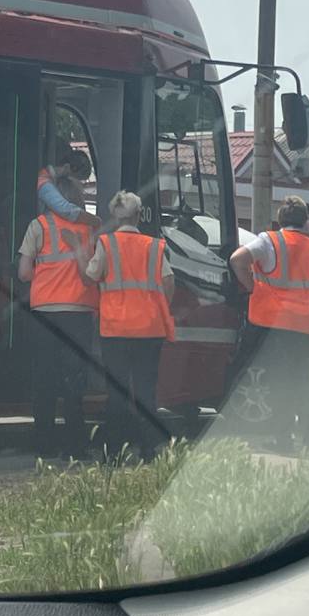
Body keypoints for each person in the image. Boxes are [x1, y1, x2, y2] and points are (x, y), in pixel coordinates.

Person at [75, 191, 175, 459]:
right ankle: (149, 450)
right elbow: (168, 281)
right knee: (145, 391)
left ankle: (114, 452)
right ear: (139, 215)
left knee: (116, 391)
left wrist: (79, 252)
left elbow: (90, 276)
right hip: (150, 329)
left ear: (115, 218)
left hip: (115, 329)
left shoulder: (107, 245)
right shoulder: (154, 246)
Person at [229, 196, 309, 450]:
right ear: (305, 221)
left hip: (279, 323)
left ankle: (282, 439)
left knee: (280, 380)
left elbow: (237, 260)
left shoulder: (270, 240)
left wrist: (254, 288)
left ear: (280, 219)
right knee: (303, 379)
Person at [17, 175, 99, 457]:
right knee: (73, 381)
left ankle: (44, 443)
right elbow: (90, 274)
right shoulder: (86, 230)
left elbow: (24, 273)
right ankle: (76, 445)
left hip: (44, 314)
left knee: (44, 378)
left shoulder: (37, 226)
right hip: (77, 313)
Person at [36, 144, 101, 229]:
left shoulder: (55, 181)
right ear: (67, 167)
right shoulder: (43, 181)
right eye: (75, 178)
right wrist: (95, 220)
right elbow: (65, 209)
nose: (75, 185)